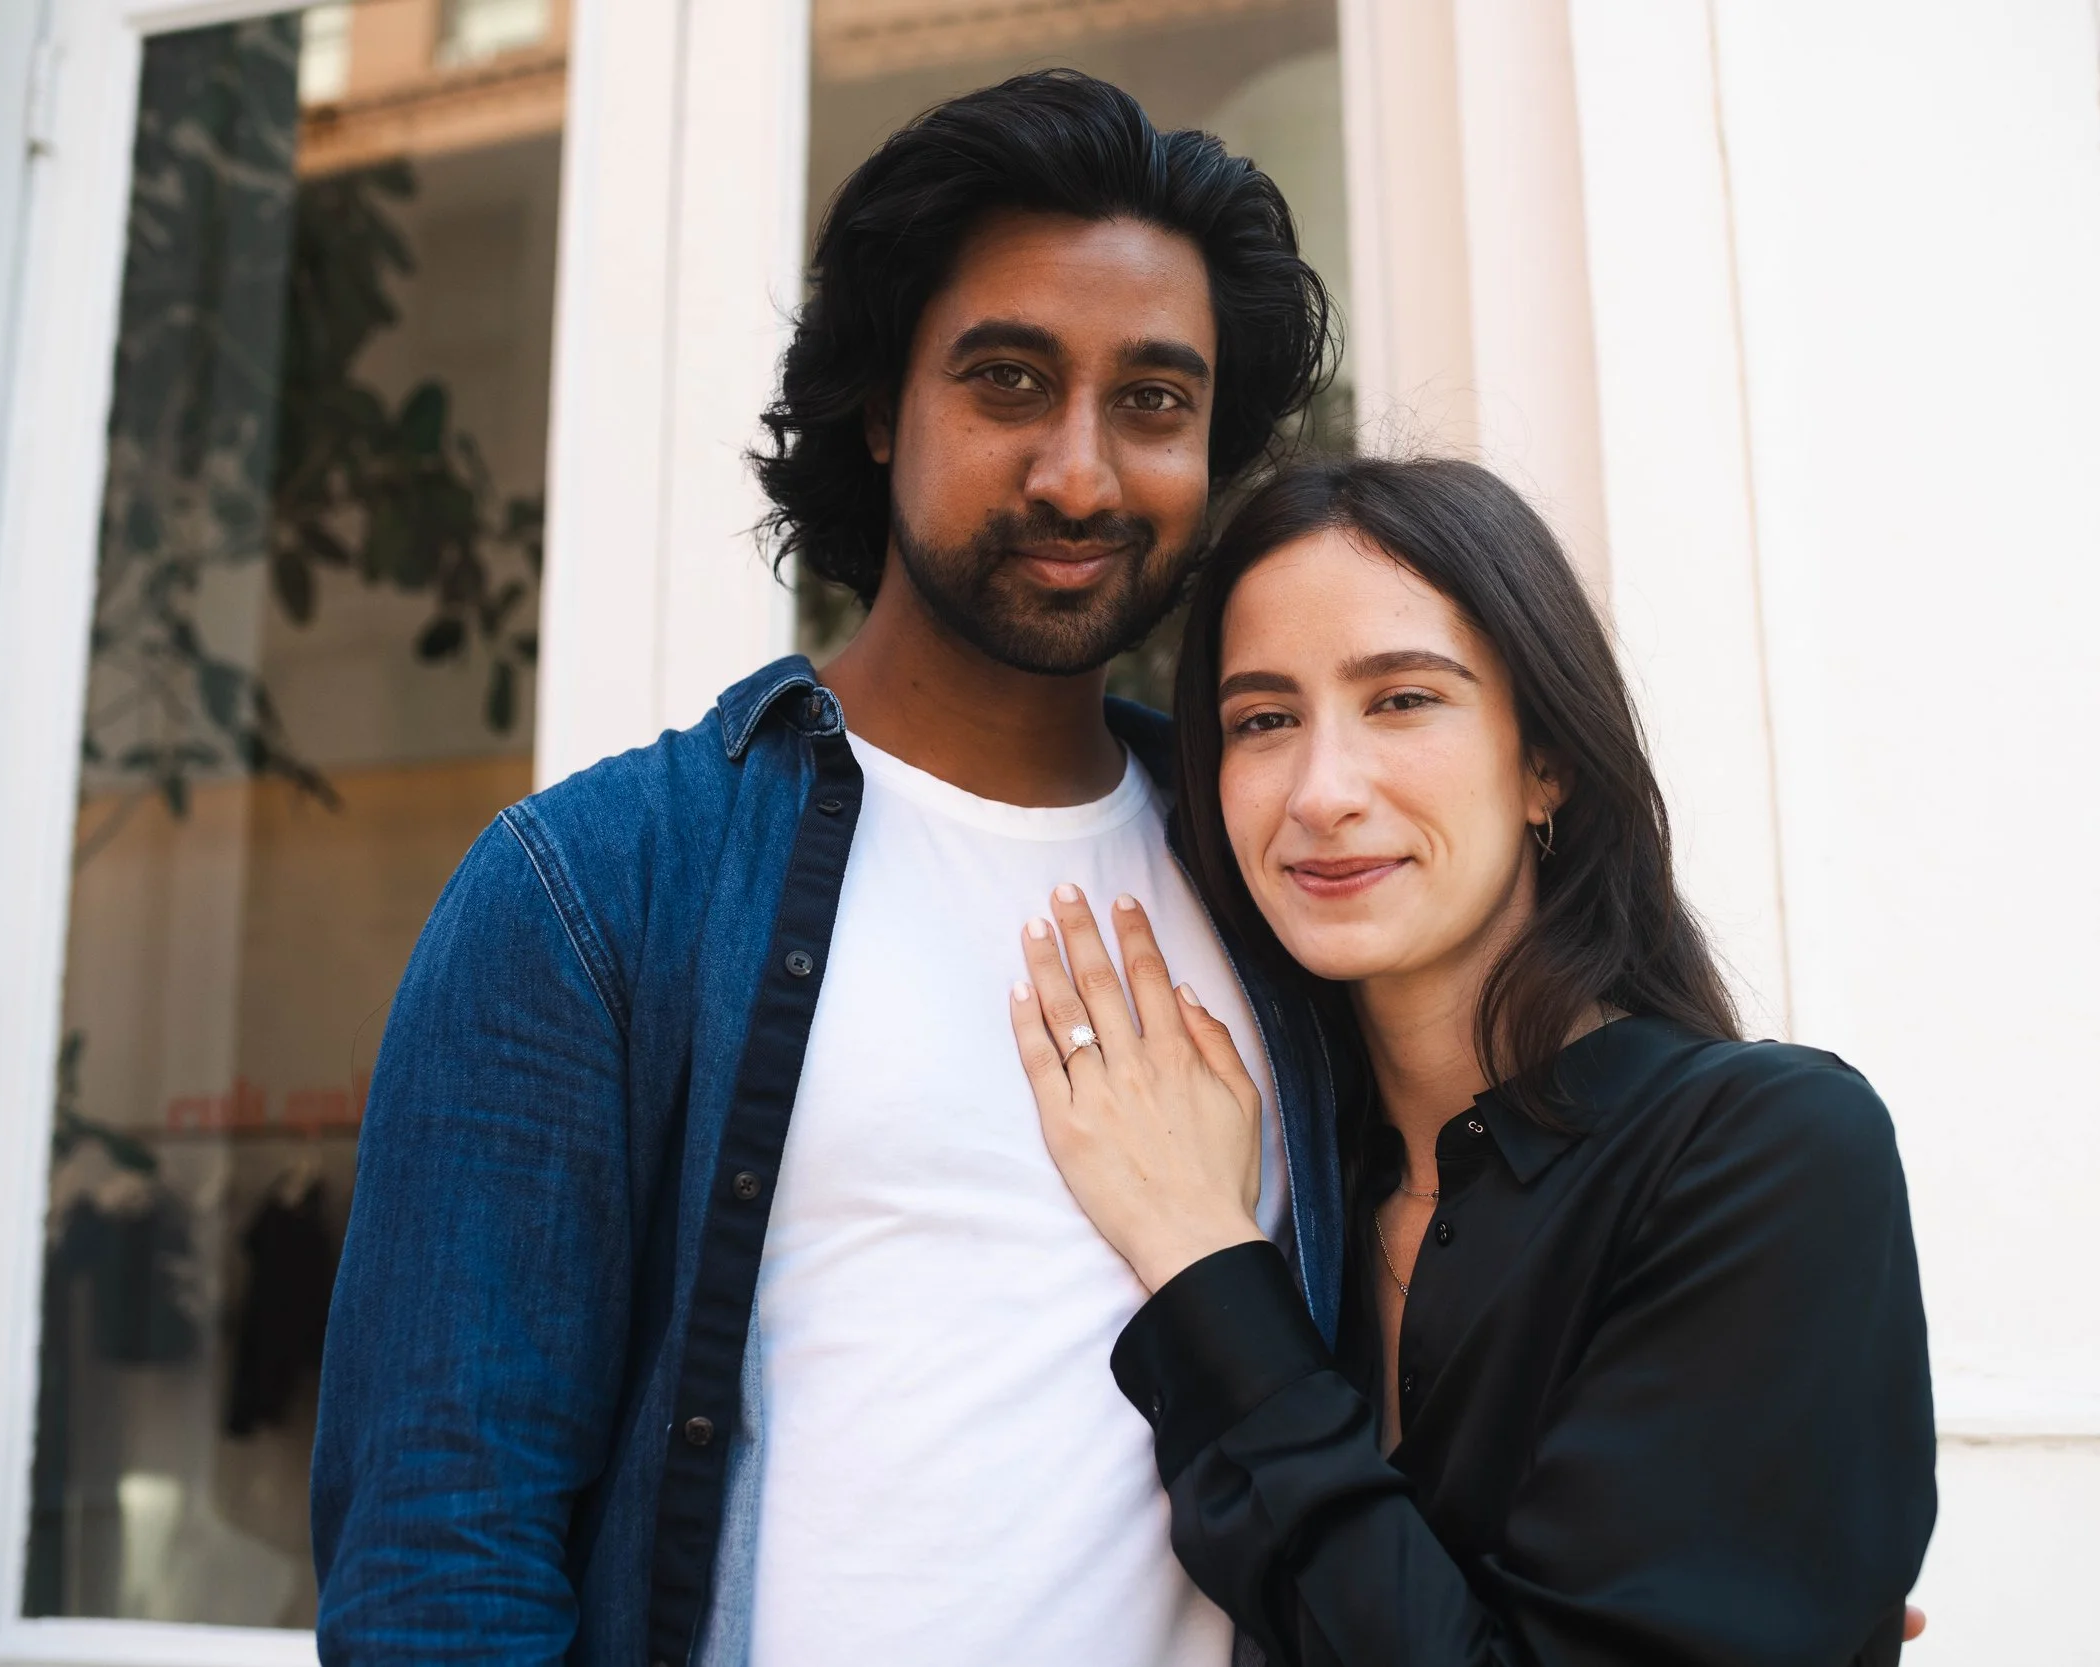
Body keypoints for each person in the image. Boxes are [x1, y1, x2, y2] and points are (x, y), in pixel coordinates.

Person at [309, 71, 1343, 1666]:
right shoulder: (594, 890)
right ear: (880, 405)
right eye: (1009, 380)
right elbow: (443, 1551)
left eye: (1154, 401)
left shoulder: (1287, 878)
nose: (1080, 473)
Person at [1008, 457, 1937, 1665]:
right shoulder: (1299, 1178)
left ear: (1543, 756)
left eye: (1402, 699)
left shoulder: (1768, 1151)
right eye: (1263, 719)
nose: (1321, 791)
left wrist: (1199, 1254)